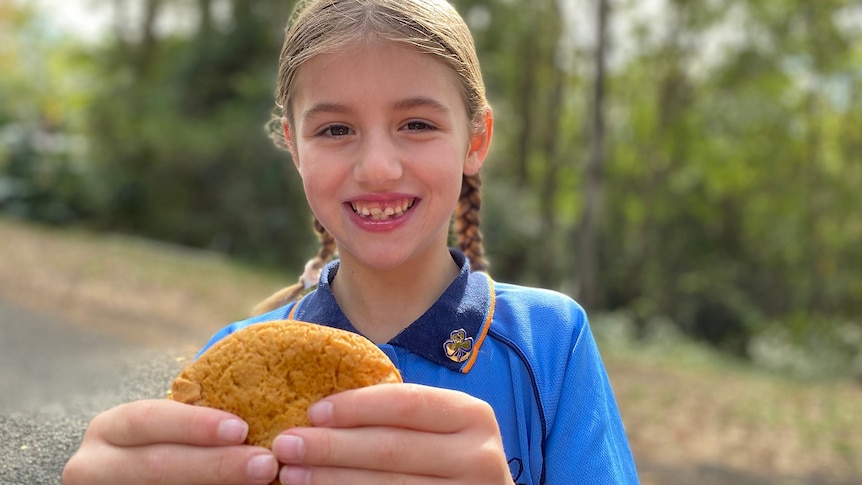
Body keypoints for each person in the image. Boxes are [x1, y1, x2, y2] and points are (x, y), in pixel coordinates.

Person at [62, 0, 639, 483]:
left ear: (476, 139)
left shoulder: (550, 346)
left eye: (417, 124)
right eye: (336, 129)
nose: (379, 168)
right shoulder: (233, 360)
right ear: (293, 145)